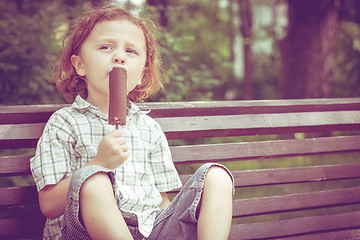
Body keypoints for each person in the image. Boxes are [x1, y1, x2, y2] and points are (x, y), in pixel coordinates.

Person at [30, 5, 234, 240]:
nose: (119, 56)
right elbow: (48, 205)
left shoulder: (149, 129)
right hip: (86, 232)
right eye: (105, 47)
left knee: (217, 176)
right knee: (94, 179)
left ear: (141, 75)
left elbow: (162, 201)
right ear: (80, 65)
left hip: (149, 229)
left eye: (131, 51)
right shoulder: (64, 123)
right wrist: (98, 163)